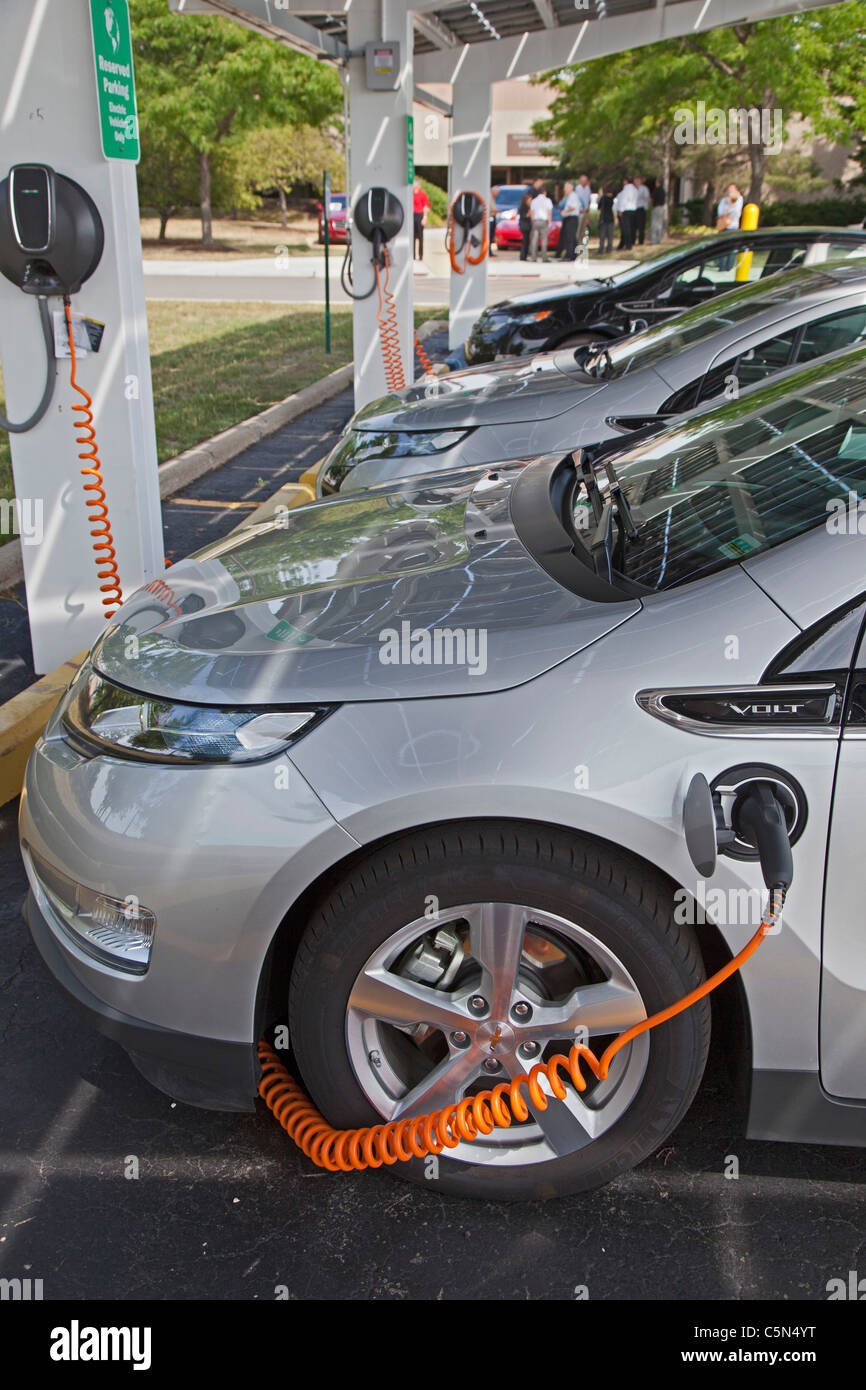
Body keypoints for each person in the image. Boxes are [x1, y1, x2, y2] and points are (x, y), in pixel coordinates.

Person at [529, 184, 553, 262]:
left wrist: (533, 220)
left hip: (536, 221)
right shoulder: (547, 200)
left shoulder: (534, 200)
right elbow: (549, 212)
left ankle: (533, 257)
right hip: (544, 221)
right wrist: (549, 222)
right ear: (544, 192)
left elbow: (532, 212)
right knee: (544, 240)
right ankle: (544, 257)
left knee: (534, 240)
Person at [557, 181, 580, 261]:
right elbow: (560, 204)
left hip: (571, 218)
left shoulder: (573, 196)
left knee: (569, 237)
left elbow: (573, 207)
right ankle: (574, 254)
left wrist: (565, 212)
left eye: (565, 187)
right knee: (572, 237)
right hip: (569, 218)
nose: (564, 189)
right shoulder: (569, 196)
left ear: (570, 188)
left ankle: (569, 255)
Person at [614, 176, 637, 250]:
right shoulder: (635, 189)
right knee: (631, 227)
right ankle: (629, 242)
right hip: (633, 210)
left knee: (626, 229)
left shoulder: (626, 189)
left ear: (626, 181)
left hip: (626, 210)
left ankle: (628, 245)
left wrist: (620, 210)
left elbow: (623, 201)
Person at [412, 180, 430, 260]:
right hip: (412, 215)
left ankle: (420, 255)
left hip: (419, 215)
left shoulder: (422, 194)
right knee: (412, 236)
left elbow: (426, 206)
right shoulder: (411, 193)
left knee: (420, 236)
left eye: (415, 184)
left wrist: (424, 218)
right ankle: (412, 255)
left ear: (418, 185)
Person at [575, 174, 592, 249]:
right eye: (583, 181)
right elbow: (577, 200)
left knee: (583, 231)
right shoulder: (578, 189)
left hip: (585, 212)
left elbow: (588, 200)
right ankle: (576, 246)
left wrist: (587, 209)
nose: (584, 182)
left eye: (585, 181)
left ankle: (581, 246)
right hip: (580, 212)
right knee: (578, 230)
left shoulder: (588, 189)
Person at [597, 184, 615, 255]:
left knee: (602, 235)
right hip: (610, 217)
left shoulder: (603, 198)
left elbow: (599, 208)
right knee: (610, 235)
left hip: (604, 218)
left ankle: (601, 249)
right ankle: (609, 249)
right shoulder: (612, 199)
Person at [634, 175, 650, 246]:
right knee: (633, 226)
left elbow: (646, 198)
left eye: (638, 180)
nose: (636, 182)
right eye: (635, 180)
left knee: (641, 226)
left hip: (641, 209)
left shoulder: (644, 188)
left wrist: (645, 208)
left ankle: (641, 241)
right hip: (633, 209)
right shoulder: (632, 188)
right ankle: (633, 240)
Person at [518, 189, 533, 260]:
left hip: (527, 225)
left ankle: (525, 255)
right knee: (525, 242)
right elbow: (525, 216)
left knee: (527, 242)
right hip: (525, 226)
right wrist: (530, 213)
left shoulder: (527, 207)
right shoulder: (524, 207)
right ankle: (523, 256)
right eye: (530, 200)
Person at [650, 179, 666, 245]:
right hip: (662, 208)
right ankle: (658, 240)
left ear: (658, 183)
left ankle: (653, 240)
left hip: (656, 207)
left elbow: (651, 198)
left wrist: (651, 205)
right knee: (660, 224)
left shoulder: (656, 190)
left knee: (654, 224)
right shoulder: (663, 190)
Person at [489, 185, 499, 255]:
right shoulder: (489, 197)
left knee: (491, 235)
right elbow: (490, 209)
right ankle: (488, 251)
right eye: (497, 192)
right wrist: (496, 211)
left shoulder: (492, 198)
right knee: (489, 235)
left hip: (493, 217)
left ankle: (489, 251)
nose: (497, 194)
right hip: (490, 217)